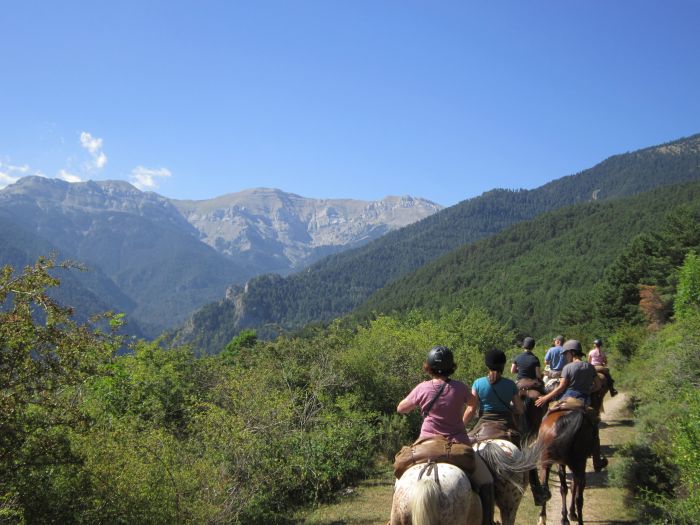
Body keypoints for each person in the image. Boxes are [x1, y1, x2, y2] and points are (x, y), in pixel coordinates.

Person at [396, 345, 496, 525]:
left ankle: (393, 520)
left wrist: (418, 403)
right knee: (487, 481)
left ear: (428, 367)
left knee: (400, 481)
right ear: (452, 367)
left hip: (425, 445)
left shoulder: (422, 388)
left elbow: (401, 408)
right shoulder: (460, 388)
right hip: (457, 444)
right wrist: (462, 422)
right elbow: (474, 405)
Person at [535, 339, 608, 470]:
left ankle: (541, 449)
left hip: (566, 399)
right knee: (594, 427)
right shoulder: (590, 367)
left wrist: (545, 398)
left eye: (566, 354)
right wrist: (587, 390)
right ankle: (597, 461)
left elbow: (561, 388)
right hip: (584, 402)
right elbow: (597, 386)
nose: (565, 356)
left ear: (571, 353)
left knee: (546, 418)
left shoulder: (567, 368)